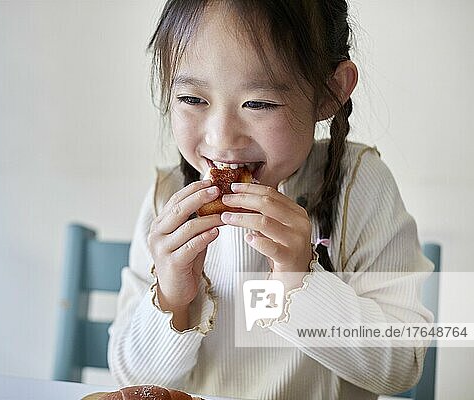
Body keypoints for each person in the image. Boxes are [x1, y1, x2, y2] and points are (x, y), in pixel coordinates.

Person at [107, 1, 433, 399]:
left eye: (258, 103)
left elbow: (402, 366)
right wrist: (173, 295)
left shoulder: (357, 185)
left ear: (331, 92)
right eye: (192, 99)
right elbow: (130, 381)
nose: (222, 138)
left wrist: (296, 280)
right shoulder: (168, 200)